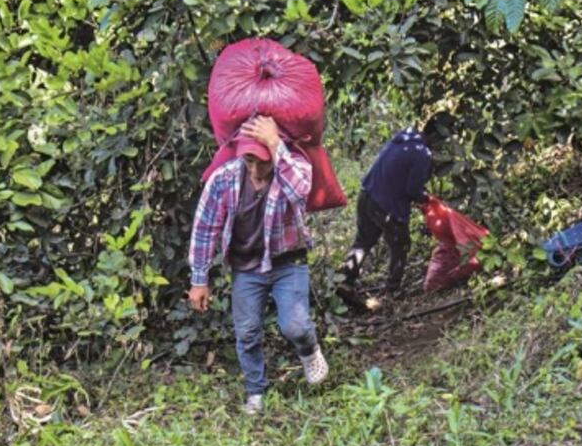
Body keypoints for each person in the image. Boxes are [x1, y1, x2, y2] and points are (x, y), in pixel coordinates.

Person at [188, 115, 329, 415]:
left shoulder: (292, 167)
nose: (254, 170)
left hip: (287, 260)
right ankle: (256, 392)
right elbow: (205, 228)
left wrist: (275, 144)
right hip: (246, 266)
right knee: (247, 332)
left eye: (261, 162)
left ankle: (309, 350)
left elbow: (301, 192)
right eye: (248, 161)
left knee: (295, 326)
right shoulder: (224, 179)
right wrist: (199, 280)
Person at [338, 113, 453, 302]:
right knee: (401, 245)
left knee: (363, 242)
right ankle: (392, 291)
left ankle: (345, 281)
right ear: (435, 136)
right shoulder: (422, 153)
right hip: (387, 206)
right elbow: (412, 190)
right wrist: (427, 199)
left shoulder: (405, 136)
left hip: (367, 194)